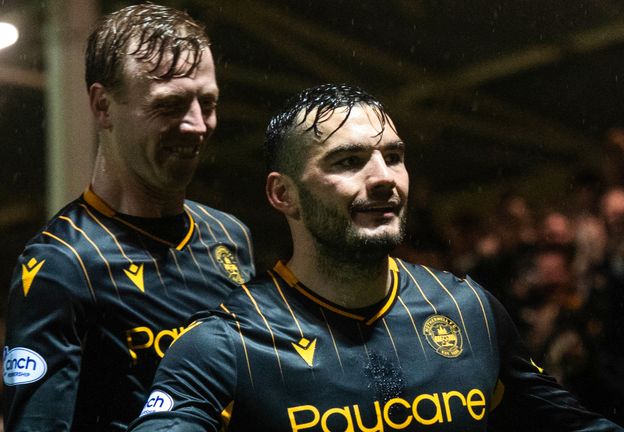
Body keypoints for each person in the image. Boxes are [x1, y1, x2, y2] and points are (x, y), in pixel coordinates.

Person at [128, 83, 622, 431]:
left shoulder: (469, 309)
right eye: (348, 161)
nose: (384, 176)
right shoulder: (223, 345)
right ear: (284, 195)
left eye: (395, 156)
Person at [2, 4, 255, 431]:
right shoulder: (61, 265)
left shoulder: (230, 237)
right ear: (103, 106)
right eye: (171, 105)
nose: (198, 125)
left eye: (207, 102)